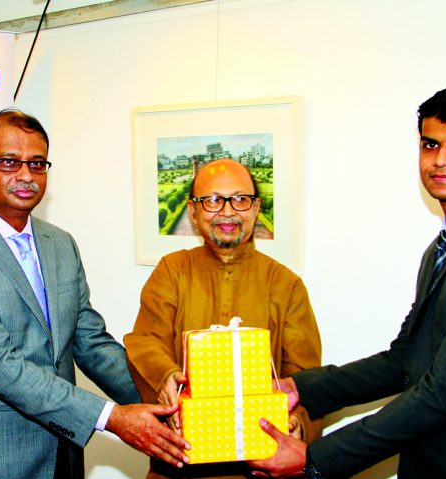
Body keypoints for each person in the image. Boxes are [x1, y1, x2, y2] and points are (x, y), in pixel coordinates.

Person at [249, 86, 446, 479]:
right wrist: (301, 388)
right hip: (427, 463)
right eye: (430, 145)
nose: (441, 160)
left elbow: (442, 394)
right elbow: (404, 360)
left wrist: (314, 458)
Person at [0, 109, 189, 478]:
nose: (26, 175)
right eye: (9, 162)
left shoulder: (59, 244)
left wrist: (166, 401)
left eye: (37, 163)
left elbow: (90, 342)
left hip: (61, 458)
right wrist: (111, 418)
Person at [125, 159, 322, 479]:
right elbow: (146, 340)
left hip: (260, 466)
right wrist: (166, 377)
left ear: (256, 208)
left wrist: (296, 420)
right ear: (192, 211)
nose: (228, 212)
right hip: (179, 464)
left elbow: (307, 377)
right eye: (212, 200)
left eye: (240, 199)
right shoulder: (171, 272)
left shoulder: (286, 285)